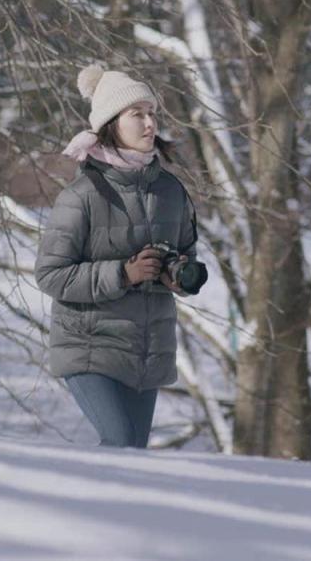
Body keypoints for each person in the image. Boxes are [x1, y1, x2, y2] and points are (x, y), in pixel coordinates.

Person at [35, 63, 201, 448]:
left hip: (145, 351)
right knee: (121, 441)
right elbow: (50, 274)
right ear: (111, 122)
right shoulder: (83, 195)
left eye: (152, 113)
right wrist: (123, 274)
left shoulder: (171, 191)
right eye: (137, 114)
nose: (149, 124)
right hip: (89, 347)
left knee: (131, 455)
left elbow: (187, 256)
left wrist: (176, 276)